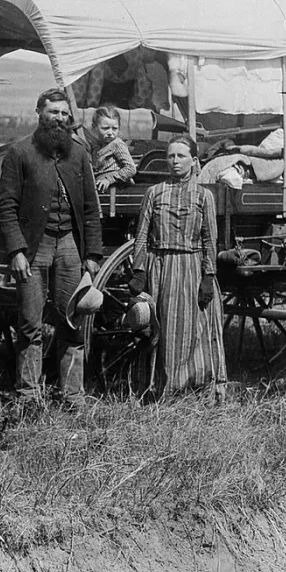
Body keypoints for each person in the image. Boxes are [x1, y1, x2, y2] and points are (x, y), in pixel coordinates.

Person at [0, 88, 103, 406]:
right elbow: (6, 206)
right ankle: (29, 396)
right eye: (53, 112)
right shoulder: (20, 153)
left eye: (63, 113)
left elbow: (90, 207)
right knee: (29, 324)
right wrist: (16, 250)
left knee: (72, 322)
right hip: (33, 248)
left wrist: (93, 255)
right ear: (39, 113)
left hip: (70, 245)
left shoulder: (79, 154)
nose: (59, 118)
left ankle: (73, 396)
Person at [128, 136, 227, 396]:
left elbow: (209, 238)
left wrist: (209, 275)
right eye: (171, 156)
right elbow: (142, 235)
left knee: (194, 329)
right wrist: (139, 271)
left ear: (194, 161)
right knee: (163, 328)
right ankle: (159, 387)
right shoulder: (154, 193)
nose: (174, 161)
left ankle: (194, 385)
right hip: (161, 267)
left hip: (192, 268)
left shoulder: (204, 196)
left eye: (181, 156)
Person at [87, 105, 137, 193]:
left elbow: (130, 168)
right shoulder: (96, 146)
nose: (110, 133)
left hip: (116, 190)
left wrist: (109, 179)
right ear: (94, 127)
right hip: (101, 190)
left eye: (114, 128)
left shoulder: (117, 144)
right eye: (105, 128)